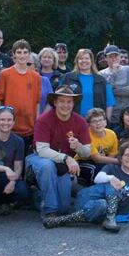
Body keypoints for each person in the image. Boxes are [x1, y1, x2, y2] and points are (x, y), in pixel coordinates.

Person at [26, 86, 92, 222]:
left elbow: (86, 153)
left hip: (62, 165)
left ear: (74, 104)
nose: (65, 105)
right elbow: (42, 150)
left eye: (69, 102)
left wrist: (78, 146)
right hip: (39, 158)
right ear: (55, 102)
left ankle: (37, 195)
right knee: (47, 166)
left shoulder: (80, 121)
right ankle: (49, 212)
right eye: (62, 101)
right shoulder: (44, 120)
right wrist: (67, 158)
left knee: (63, 209)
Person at [0, 39, 42, 150]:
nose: (22, 55)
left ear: (29, 54)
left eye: (25, 52)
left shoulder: (35, 76)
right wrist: (0, 121)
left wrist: (37, 124)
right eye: (19, 52)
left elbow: (37, 102)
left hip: (29, 127)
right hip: (9, 126)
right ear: (14, 54)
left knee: (25, 159)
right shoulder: (5, 74)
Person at [58, 48, 115, 120]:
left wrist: (106, 122)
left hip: (95, 123)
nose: (84, 61)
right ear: (77, 61)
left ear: (91, 61)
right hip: (72, 120)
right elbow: (58, 99)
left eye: (87, 58)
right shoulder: (67, 78)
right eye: (81, 58)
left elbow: (109, 103)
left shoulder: (102, 80)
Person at [73, 107, 119, 193]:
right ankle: (94, 192)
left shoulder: (111, 134)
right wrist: (119, 161)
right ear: (89, 125)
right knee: (97, 170)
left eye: (101, 120)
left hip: (103, 160)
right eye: (94, 121)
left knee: (113, 169)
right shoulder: (87, 135)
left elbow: (113, 153)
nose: (98, 123)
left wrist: (114, 164)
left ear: (105, 122)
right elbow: (97, 159)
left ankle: (115, 192)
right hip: (83, 161)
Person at [99, 45, 129, 126]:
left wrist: (111, 91)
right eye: (110, 56)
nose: (114, 59)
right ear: (106, 58)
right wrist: (113, 73)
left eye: (116, 56)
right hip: (111, 116)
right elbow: (104, 93)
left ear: (119, 56)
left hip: (128, 115)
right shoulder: (101, 74)